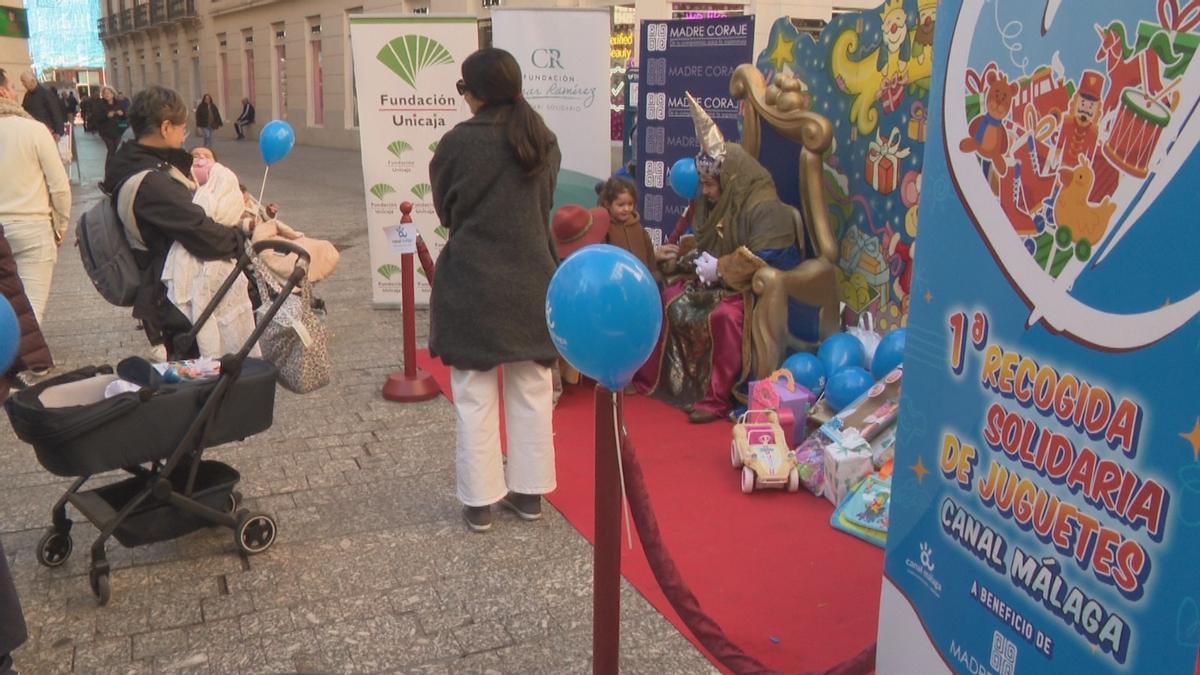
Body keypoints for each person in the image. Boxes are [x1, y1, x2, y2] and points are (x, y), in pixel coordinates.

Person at [429, 48, 561, 533]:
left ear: (477, 93)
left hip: (473, 281)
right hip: (533, 278)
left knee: (474, 394)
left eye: (463, 89)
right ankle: (530, 496)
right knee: (533, 388)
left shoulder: (456, 144)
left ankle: (480, 502)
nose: (463, 98)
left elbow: (448, 212)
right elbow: (542, 206)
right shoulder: (542, 138)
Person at [635, 94, 802, 424]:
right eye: (705, 185)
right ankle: (676, 387)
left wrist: (721, 269)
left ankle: (716, 399)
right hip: (715, 283)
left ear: (731, 180)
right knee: (670, 299)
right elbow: (707, 243)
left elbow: (770, 257)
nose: (707, 192)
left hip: (746, 291)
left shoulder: (764, 206)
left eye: (712, 185)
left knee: (723, 317)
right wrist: (684, 259)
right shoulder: (715, 202)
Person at [101, 86, 241, 359]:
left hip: (168, 290)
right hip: (176, 297)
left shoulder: (135, 163)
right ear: (166, 128)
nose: (183, 135)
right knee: (202, 377)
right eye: (182, 128)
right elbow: (202, 234)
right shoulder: (152, 182)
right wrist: (241, 238)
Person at [0, 68, 71, 329]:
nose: (16, 91)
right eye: (11, 86)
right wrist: (61, 225)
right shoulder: (33, 130)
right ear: (3, 92)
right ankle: (27, 364)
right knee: (31, 306)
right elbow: (59, 186)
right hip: (33, 226)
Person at [19, 71, 65, 139]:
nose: (23, 84)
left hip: (46, 132)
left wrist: (58, 132)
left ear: (32, 81)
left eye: (24, 81)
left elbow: (55, 112)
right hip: (32, 132)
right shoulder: (27, 95)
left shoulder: (46, 92)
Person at [94, 86, 127, 169]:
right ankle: (109, 169)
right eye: (105, 93)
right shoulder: (100, 104)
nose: (107, 95)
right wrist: (106, 115)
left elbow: (126, 116)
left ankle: (115, 168)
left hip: (117, 130)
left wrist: (122, 114)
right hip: (106, 131)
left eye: (109, 93)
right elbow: (96, 117)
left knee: (116, 149)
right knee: (111, 149)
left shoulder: (118, 103)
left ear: (113, 94)